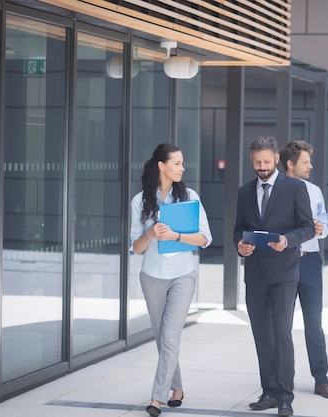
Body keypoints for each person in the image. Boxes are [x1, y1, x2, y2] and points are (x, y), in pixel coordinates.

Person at [233, 136, 315, 417]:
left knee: (281, 334)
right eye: (257, 162)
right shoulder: (245, 192)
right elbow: (238, 228)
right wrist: (240, 246)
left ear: (277, 159)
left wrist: (287, 240)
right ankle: (268, 391)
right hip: (255, 274)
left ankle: (285, 396)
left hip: (283, 274)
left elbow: (307, 228)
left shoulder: (295, 188)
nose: (262, 167)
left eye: (267, 162)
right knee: (262, 335)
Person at [130, 143, 212, 417]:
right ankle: (176, 388)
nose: (182, 168)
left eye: (182, 163)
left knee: (171, 335)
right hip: (152, 275)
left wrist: (176, 236)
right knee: (162, 336)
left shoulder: (189, 196)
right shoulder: (140, 201)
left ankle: (157, 398)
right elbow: (136, 248)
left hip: (183, 274)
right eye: (176, 163)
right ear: (161, 166)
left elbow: (204, 239)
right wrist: (152, 233)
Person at [279, 140, 328, 400]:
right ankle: (282, 382)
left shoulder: (314, 191)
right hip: (284, 262)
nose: (310, 166)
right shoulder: (276, 191)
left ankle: (321, 380)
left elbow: (324, 222)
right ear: (291, 164)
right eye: (306, 162)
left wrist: (320, 228)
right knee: (282, 325)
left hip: (311, 261)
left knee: (314, 323)